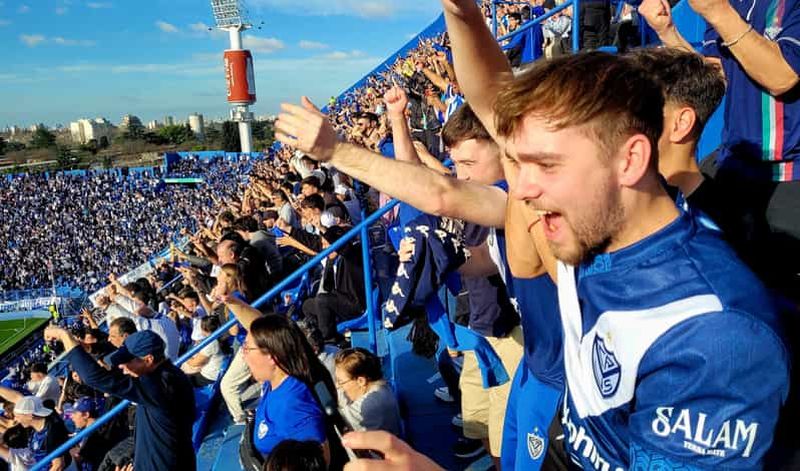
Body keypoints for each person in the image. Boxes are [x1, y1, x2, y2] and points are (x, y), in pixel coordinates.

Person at [639, 0, 800, 303]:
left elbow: (783, 76)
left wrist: (716, 10)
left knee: (783, 302)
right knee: (734, 287)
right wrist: (668, 32)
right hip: (734, 166)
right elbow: (716, 77)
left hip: (788, 178)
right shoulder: (730, 5)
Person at [43, 327, 196, 471]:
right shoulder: (168, 374)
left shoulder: (157, 386)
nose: (122, 367)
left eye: (126, 362)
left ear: (148, 360)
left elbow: (95, 378)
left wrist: (64, 335)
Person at [334, 348, 402, 437]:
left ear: (361, 381)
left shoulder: (371, 404)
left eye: (341, 382)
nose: (338, 386)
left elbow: (333, 420)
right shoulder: (381, 388)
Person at [0, 395, 71, 471]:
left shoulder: (52, 431)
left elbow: (59, 465)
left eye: (17, 416)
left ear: (30, 415)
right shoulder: (32, 429)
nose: (16, 420)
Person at [182, 315, 227, 388]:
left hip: (209, 377)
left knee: (182, 377)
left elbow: (195, 363)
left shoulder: (211, 343)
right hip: (214, 372)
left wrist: (187, 359)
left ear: (204, 328)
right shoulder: (220, 336)